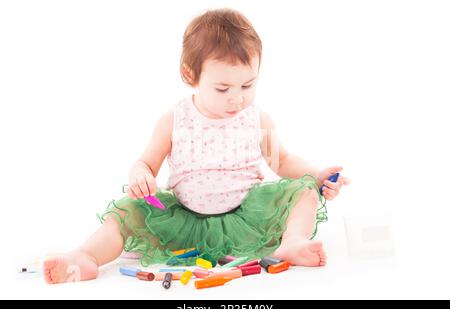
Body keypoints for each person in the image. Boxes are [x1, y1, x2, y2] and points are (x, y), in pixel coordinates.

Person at [43, 8, 349, 284]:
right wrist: (140, 176)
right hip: (182, 218)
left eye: (247, 85)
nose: (237, 98)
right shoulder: (174, 120)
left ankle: (292, 241)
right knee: (127, 212)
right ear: (191, 75)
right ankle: (86, 256)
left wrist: (317, 175)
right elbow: (145, 164)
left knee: (304, 191)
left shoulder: (258, 120)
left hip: (245, 216)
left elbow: (282, 161)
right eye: (222, 88)